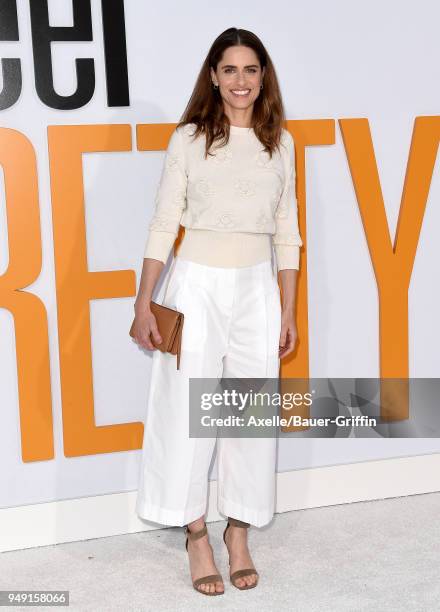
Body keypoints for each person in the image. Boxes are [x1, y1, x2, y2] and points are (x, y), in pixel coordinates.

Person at [131, 27, 303, 596]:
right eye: (229, 70)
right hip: (196, 285)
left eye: (250, 70)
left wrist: (287, 309)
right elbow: (163, 222)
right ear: (212, 76)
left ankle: (239, 531)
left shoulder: (282, 142)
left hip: (258, 287)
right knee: (187, 411)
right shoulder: (188, 139)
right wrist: (144, 300)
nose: (240, 81)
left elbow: (288, 233)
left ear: (263, 77)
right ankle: (196, 532)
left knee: (248, 416)